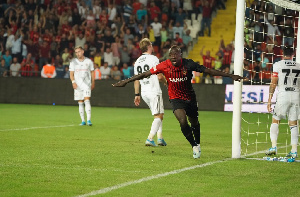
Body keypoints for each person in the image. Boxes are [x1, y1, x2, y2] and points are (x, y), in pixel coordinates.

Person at [113, 45, 245, 158]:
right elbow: (144, 74)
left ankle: (198, 143)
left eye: (176, 55)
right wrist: (125, 81)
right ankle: (194, 146)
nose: (173, 57)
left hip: (190, 98)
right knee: (182, 121)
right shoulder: (164, 65)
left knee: (194, 122)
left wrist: (230, 75)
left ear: (181, 55)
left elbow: (208, 70)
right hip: (176, 99)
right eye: (171, 55)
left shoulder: (188, 64)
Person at [134, 38, 167, 147]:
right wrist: (166, 82)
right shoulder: (153, 59)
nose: (152, 46)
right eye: (151, 44)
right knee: (158, 116)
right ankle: (150, 138)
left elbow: (136, 80)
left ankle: (160, 138)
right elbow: (159, 76)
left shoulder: (138, 61)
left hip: (144, 92)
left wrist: (137, 94)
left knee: (159, 113)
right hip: (154, 90)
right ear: (148, 46)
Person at [266, 47, 299, 158]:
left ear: (282, 53)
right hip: (296, 95)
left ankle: (274, 147)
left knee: (275, 120)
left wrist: (270, 99)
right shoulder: (299, 66)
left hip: (283, 95)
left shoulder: (278, 65)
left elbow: (273, 83)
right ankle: (294, 150)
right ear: (293, 54)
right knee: (293, 124)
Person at [69, 46, 95, 126]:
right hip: (77, 85)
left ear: (83, 51)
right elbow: (71, 74)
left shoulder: (88, 61)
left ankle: (89, 120)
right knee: (80, 102)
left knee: (87, 100)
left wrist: (93, 82)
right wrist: (73, 82)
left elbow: (92, 72)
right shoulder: (73, 62)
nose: (77, 53)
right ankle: (83, 120)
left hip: (87, 84)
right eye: (76, 52)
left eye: (79, 51)